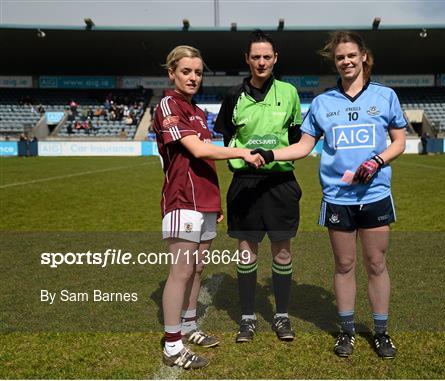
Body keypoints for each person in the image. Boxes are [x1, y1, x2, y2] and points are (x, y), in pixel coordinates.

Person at [253, 31, 407, 359]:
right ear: (334, 62)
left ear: (363, 57)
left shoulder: (385, 96)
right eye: (340, 57)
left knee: (377, 262)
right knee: (344, 263)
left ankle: (381, 333)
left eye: (351, 55)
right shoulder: (323, 103)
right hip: (338, 197)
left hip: (376, 194)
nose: (346, 61)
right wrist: (270, 154)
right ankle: (346, 331)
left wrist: (378, 160)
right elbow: (303, 146)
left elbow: (399, 142)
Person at [154, 45, 263, 370]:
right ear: (172, 72)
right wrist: (242, 153)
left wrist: (214, 204)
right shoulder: (168, 105)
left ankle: (188, 325)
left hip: (204, 202)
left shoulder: (199, 112)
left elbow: (206, 159)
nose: (193, 77)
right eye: (186, 71)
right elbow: (198, 151)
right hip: (182, 201)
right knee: (182, 270)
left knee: (198, 268)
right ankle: (173, 345)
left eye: (198, 72)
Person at [214, 29, 303, 343]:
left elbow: (294, 139)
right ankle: (248, 318)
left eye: (267, 56)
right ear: (247, 60)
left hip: (280, 182)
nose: (261, 62)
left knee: (281, 253)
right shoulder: (232, 97)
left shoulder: (290, 93)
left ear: (275, 58)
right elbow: (226, 141)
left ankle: (281, 317)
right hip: (245, 183)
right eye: (256, 57)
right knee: (246, 252)